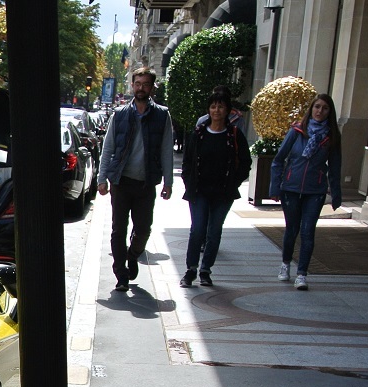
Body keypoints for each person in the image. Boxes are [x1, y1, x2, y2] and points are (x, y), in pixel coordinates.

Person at [97, 67, 175, 292]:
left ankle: (133, 255)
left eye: (146, 84)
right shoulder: (120, 114)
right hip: (121, 181)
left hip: (146, 183)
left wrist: (168, 182)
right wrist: (102, 179)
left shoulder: (162, 115)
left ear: (152, 87)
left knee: (143, 229)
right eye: (138, 83)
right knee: (118, 230)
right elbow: (108, 147)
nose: (141, 88)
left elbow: (166, 150)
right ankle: (121, 274)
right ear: (133, 86)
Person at [268, 93, 343, 290]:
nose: (320, 111)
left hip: (314, 190)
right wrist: (275, 187)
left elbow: (335, 167)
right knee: (291, 229)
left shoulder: (331, 136)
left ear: (329, 112)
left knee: (308, 231)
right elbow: (278, 160)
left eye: (325, 108)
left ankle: (302, 274)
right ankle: (285, 264)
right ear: (311, 109)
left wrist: (336, 194)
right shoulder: (297, 131)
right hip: (291, 188)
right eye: (317, 107)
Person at [179, 88, 251, 287]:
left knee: (214, 231)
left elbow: (245, 162)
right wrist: (188, 181)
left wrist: (234, 182)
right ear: (208, 110)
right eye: (213, 106)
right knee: (197, 230)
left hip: (223, 193)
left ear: (227, 110)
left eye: (221, 106)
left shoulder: (234, 135)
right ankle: (191, 269)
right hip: (199, 191)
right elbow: (188, 161)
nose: (216, 110)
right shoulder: (199, 134)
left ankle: (205, 270)